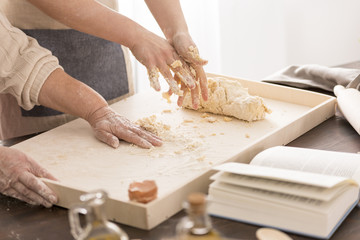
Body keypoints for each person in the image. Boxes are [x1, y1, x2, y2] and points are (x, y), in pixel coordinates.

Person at [0, 0, 207, 208]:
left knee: (122, 179)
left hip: (108, 44)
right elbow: (18, 62)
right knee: (56, 193)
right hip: (30, 64)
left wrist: (177, 29)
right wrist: (136, 35)